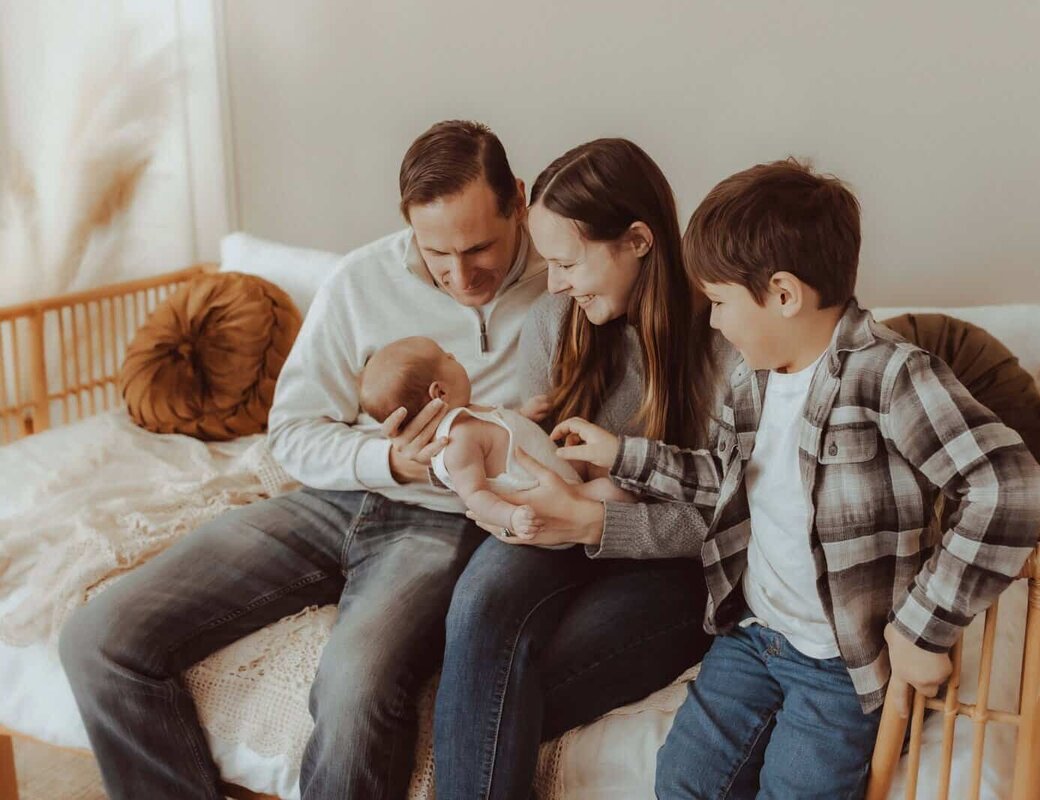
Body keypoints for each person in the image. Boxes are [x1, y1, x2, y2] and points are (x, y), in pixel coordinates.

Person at [58, 120, 547, 800]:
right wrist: (385, 460)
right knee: (98, 639)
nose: (461, 275)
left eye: (479, 248)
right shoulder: (362, 278)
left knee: (353, 690)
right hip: (329, 499)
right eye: (437, 253)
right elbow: (292, 431)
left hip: (440, 523)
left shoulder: (566, 286)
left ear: (517, 201)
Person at [553, 158, 1040, 798]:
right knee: (683, 779)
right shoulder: (751, 381)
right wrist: (623, 454)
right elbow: (725, 483)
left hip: (842, 664)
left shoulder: (892, 377)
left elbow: (1008, 488)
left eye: (720, 303)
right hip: (753, 636)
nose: (713, 323)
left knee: (799, 788)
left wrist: (922, 628)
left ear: (783, 295)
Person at [433, 138, 730, 799]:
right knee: (479, 611)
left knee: (507, 689)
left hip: (670, 568)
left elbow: (732, 516)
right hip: (557, 526)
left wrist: (596, 521)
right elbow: (525, 459)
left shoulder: (726, 343)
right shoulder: (553, 322)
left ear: (637, 241)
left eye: (568, 262)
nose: (557, 281)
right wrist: (496, 457)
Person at [358, 335, 634, 537]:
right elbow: (475, 496)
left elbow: (501, 435)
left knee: (597, 460)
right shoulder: (457, 443)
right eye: (447, 357)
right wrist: (512, 517)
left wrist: (524, 414)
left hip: (558, 470)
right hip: (546, 501)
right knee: (611, 491)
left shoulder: (469, 413)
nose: (453, 356)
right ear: (439, 392)